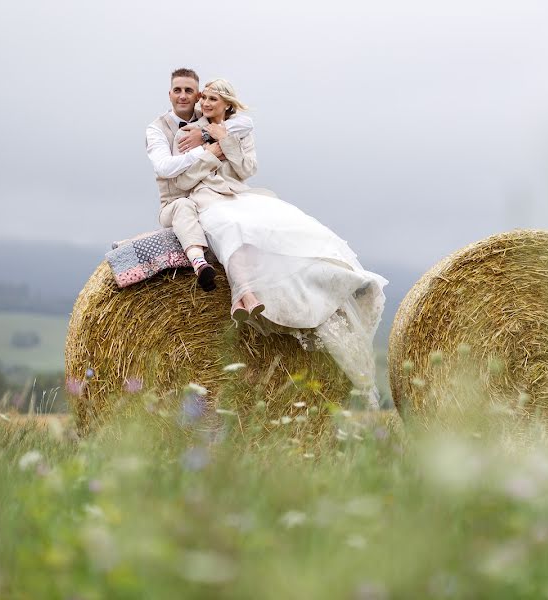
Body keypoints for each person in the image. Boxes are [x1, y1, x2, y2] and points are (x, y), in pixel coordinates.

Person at [171, 79, 387, 406]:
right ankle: (243, 294)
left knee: (290, 227)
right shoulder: (189, 132)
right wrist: (211, 149)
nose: (206, 103)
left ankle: (335, 281)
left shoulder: (237, 131)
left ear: (227, 104)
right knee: (233, 228)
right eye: (205, 98)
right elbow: (183, 178)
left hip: (239, 195)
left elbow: (246, 169)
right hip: (206, 199)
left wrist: (225, 140)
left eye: (213, 98)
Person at [145, 68, 254, 292]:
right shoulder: (157, 129)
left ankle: (247, 291)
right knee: (184, 206)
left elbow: (245, 123)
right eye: (177, 90)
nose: (182, 96)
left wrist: (206, 134)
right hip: (174, 202)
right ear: (169, 94)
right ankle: (199, 263)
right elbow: (165, 168)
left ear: (197, 96)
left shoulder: (204, 119)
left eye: (189, 91)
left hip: (207, 196)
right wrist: (206, 151)